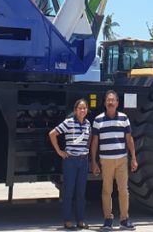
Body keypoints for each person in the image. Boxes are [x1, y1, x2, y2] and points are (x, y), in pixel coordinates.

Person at [90, 91, 138, 230]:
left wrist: (133, 158)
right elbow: (94, 142)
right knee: (107, 191)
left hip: (122, 160)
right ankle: (108, 219)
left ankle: (124, 219)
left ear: (117, 102)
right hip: (106, 161)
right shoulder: (98, 120)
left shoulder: (124, 118)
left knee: (124, 191)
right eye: (108, 100)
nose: (110, 102)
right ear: (104, 103)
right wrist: (93, 161)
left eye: (113, 100)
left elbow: (129, 139)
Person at [50, 98, 91, 230]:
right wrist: (59, 152)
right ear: (75, 110)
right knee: (69, 191)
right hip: (71, 161)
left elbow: (89, 138)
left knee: (81, 192)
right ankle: (67, 220)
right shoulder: (68, 123)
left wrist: (86, 150)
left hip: (83, 161)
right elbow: (52, 134)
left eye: (84, 108)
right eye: (80, 108)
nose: (82, 110)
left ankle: (80, 220)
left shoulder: (88, 124)